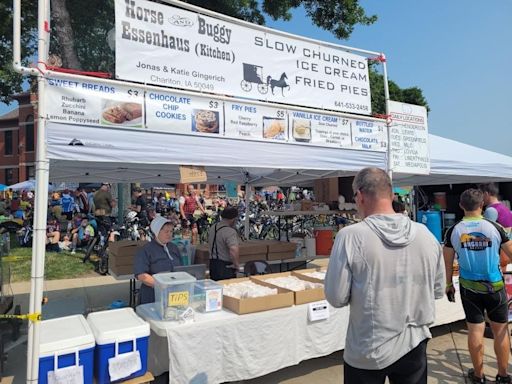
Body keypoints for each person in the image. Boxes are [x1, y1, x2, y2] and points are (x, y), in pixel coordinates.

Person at [324, 167, 445, 384]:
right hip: (415, 342)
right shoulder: (426, 235)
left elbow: (336, 297)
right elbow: (438, 290)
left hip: (368, 347)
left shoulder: (350, 237)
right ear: (391, 194)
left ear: (359, 196)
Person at [444, 188, 512, 384]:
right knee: (500, 330)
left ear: (460, 205)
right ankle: (503, 375)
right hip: (495, 286)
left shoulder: (454, 230)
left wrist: (449, 284)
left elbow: (447, 262)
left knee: (475, 330)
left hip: (469, 288)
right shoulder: (495, 228)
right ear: (482, 205)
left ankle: (479, 376)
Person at [134, 216, 182, 305]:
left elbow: (181, 269)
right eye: (166, 231)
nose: (169, 234)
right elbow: (141, 275)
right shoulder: (146, 250)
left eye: (171, 231)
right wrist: (161, 285)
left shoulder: (174, 248)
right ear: (156, 232)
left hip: (174, 295)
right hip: (152, 296)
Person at [207, 206, 240, 280]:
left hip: (212, 265)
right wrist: (236, 265)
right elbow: (233, 249)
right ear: (233, 219)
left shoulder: (213, 227)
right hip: (225, 267)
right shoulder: (229, 231)